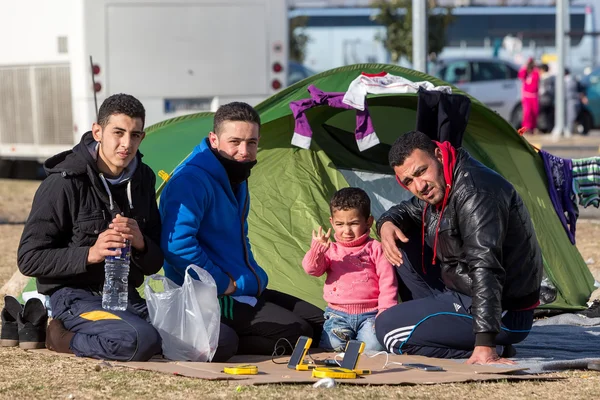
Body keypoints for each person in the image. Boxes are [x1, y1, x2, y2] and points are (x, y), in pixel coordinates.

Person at [159, 102, 324, 355]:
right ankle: (213, 339)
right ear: (214, 139)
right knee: (297, 333)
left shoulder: (236, 175)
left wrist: (251, 277)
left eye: (251, 143)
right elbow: (177, 245)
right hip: (209, 294)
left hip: (243, 287)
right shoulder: (191, 180)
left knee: (321, 323)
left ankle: (230, 333)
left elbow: (239, 236)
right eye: (234, 142)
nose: (244, 151)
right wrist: (221, 282)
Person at [375, 131, 543, 365]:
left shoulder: (475, 193)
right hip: (463, 290)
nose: (419, 186)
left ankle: (492, 347)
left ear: (439, 157)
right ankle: (439, 318)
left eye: (421, 171)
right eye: (408, 182)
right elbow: (407, 210)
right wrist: (385, 225)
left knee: (389, 331)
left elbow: (486, 267)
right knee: (397, 239)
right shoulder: (442, 182)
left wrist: (485, 343)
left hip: (504, 312)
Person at [17, 94, 163, 361]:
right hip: (75, 298)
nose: (126, 144)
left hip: (124, 295)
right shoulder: (64, 181)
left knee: (212, 339)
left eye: (135, 135)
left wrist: (141, 244)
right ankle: (61, 337)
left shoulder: (144, 178)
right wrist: (91, 253)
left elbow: (154, 263)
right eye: (118, 133)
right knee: (139, 340)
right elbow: (28, 259)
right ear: (98, 131)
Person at [302, 187, 398, 352]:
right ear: (332, 222)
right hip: (338, 315)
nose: (346, 231)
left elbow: (388, 282)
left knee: (373, 348)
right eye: (340, 224)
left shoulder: (375, 248)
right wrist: (317, 250)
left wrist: (385, 313)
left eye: (354, 223)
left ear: (368, 222)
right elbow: (312, 270)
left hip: (371, 315)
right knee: (333, 347)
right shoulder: (330, 249)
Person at [518, 57, 540, 134]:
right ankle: (525, 129)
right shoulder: (525, 73)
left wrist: (535, 67)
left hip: (534, 96)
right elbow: (520, 75)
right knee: (527, 113)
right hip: (527, 96)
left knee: (534, 112)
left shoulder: (535, 73)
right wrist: (525, 66)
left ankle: (532, 128)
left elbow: (537, 77)